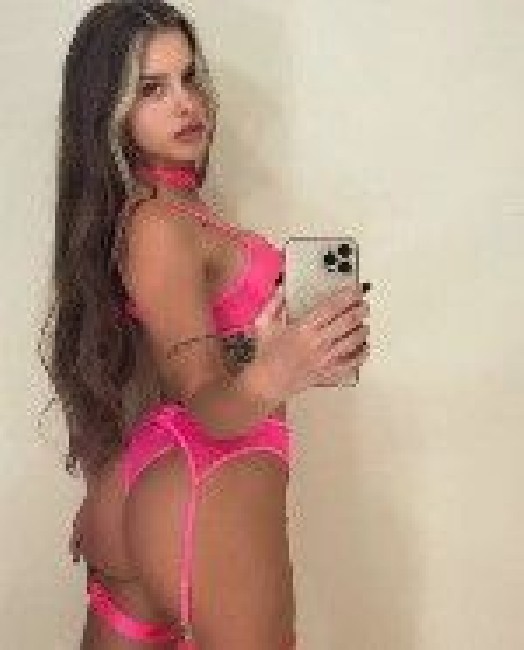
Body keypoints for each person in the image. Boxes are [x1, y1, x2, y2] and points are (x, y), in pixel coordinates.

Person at [39, 1, 371, 648]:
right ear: (109, 110)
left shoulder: (172, 211)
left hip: (141, 482)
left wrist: (287, 347)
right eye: (152, 89)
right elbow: (207, 401)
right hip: (213, 477)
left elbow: (160, 361)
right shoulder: (159, 224)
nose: (186, 103)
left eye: (189, 77)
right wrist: (276, 372)